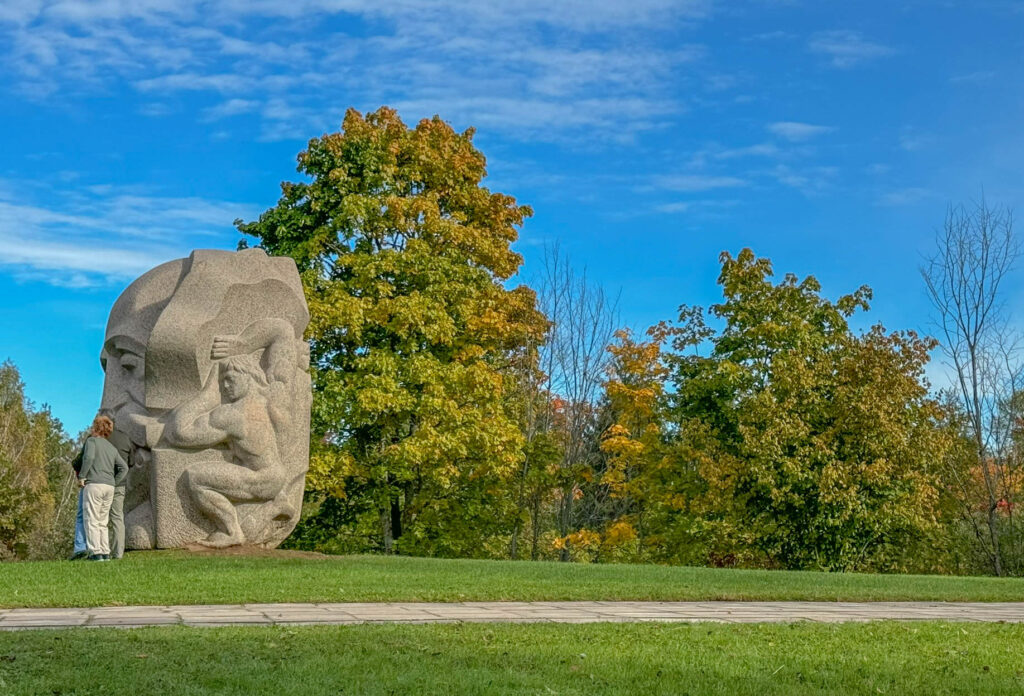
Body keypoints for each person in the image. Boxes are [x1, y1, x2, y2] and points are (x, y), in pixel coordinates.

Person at [78, 415, 128, 561]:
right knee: (102, 521)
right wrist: (114, 481)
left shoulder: (91, 441)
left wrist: (82, 476)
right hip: (109, 487)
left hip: (94, 484)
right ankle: (105, 552)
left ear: (96, 427)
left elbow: (88, 458)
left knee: (91, 519)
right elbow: (123, 467)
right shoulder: (111, 447)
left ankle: (95, 552)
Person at [105, 419, 133, 560]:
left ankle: (100, 552)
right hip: (119, 484)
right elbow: (131, 462)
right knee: (117, 519)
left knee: (99, 519)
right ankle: (118, 553)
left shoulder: (99, 439)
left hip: (101, 482)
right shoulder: (125, 438)